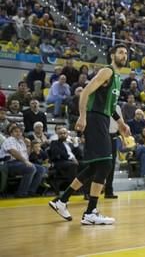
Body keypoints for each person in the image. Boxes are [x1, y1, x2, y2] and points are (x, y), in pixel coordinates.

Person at [48, 44, 131, 225]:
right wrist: (83, 116)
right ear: (112, 55)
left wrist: (121, 123)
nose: (124, 55)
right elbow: (85, 91)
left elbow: (110, 108)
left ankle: (61, 201)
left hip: (102, 119)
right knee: (106, 164)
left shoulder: (117, 78)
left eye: (126, 53)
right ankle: (90, 212)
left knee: (96, 166)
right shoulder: (107, 72)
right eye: (120, 52)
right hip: (94, 119)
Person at [0, 123, 46, 197]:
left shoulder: (22, 142)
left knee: (41, 169)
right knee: (30, 168)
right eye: (16, 131)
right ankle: (21, 193)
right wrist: (25, 161)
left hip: (20, 163)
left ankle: (31, 191)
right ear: (11, 133)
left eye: (20, 131)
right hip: (9, 163)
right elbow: (13, 152)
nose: (18, 133)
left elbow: (26, 156)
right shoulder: (9, 139)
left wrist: (28, 146)